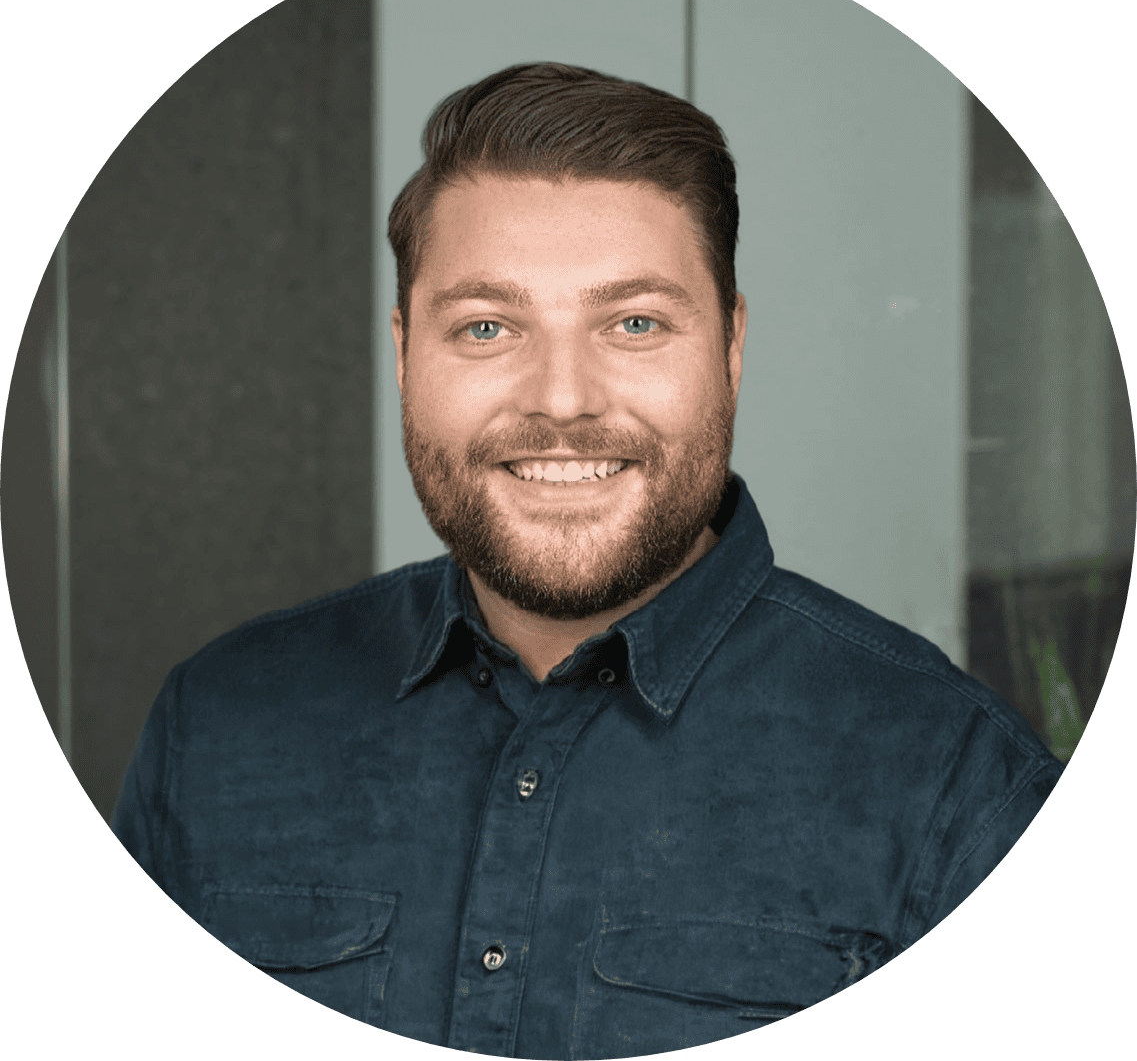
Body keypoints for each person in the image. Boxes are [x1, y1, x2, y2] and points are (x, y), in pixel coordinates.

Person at [112, 63, 1063, 1060]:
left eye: (634, 323)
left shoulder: (958, 782)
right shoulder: (212, 726)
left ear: (730, 349)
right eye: (486, 326)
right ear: (403, 355)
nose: (561, 399)